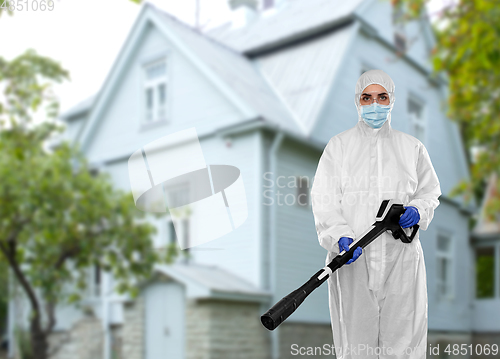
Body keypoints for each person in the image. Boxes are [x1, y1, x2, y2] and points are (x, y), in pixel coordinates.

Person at [310, 69, 441, 359]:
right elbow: (324, 199)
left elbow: (430, 192)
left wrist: (417, 210)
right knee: (355, 344)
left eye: (382, 97)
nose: (374, 105)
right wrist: (339, 236)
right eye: (367, 98)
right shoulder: (339, 147)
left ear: (391, 100)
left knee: (404, 340)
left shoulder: (412, 148)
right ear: (358, 101)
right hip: (353, 256)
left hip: (401, 259)